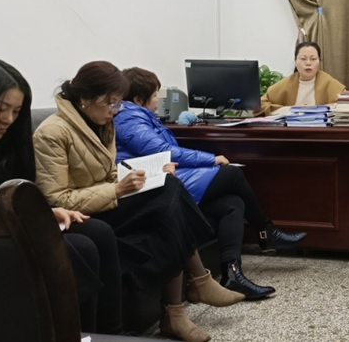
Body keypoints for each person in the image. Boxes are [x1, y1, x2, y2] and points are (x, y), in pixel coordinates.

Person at [33, 61, 244, 342]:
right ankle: (193, 288)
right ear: (85, 98)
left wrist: (142, 174)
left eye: (118, 103)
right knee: (169, 202)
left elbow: (108, 173)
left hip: (106, 201)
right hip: (83, 215)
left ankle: (179, 308)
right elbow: (57, 199)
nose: (114, 111)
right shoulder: (52, 133)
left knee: (168, 185)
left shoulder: (101, 123)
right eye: (110, 103)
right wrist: (117, 190)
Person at [0, 58, 124, 335]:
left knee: (97, 232)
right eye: (0, 109)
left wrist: (38, 214)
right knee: (81, 249)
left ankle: (111, 333)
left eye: (16, 111)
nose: (8, 119)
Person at [114, 67, 307, 300]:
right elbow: (163, 151)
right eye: (155, 95)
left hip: (166, 176)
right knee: (232, 175)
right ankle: (266, 231)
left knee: (233, 203)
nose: (158, 100)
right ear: (138, 99)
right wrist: (210, 159)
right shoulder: (129, 119)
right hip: (152, 185)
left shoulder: (138, 116)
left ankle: (232, 274)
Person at [258, 41, 345, 115]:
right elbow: (260, 105)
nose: (308, 63)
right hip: (292, 128)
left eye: (313, 59)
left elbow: (347, 105)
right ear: (295, 62)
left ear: (319, 61)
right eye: (303, 59)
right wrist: (291, 110)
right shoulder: (285, 84)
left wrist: (319, 109)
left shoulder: (329, 83)